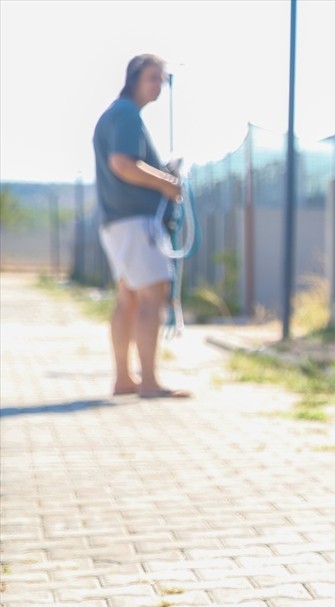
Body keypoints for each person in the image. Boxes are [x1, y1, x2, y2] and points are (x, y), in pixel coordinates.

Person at [92, 53, 190, 399]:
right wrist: (167, 182)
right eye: (153, 77)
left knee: (128, 297)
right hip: (135, 222)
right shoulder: (127, 114)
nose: (159, 85)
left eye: (161, 79)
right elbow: (122, 163)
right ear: (133, 78)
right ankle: (148, 381)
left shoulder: (114, 115)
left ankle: (124, 379)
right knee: (152, 295)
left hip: (116, 221)